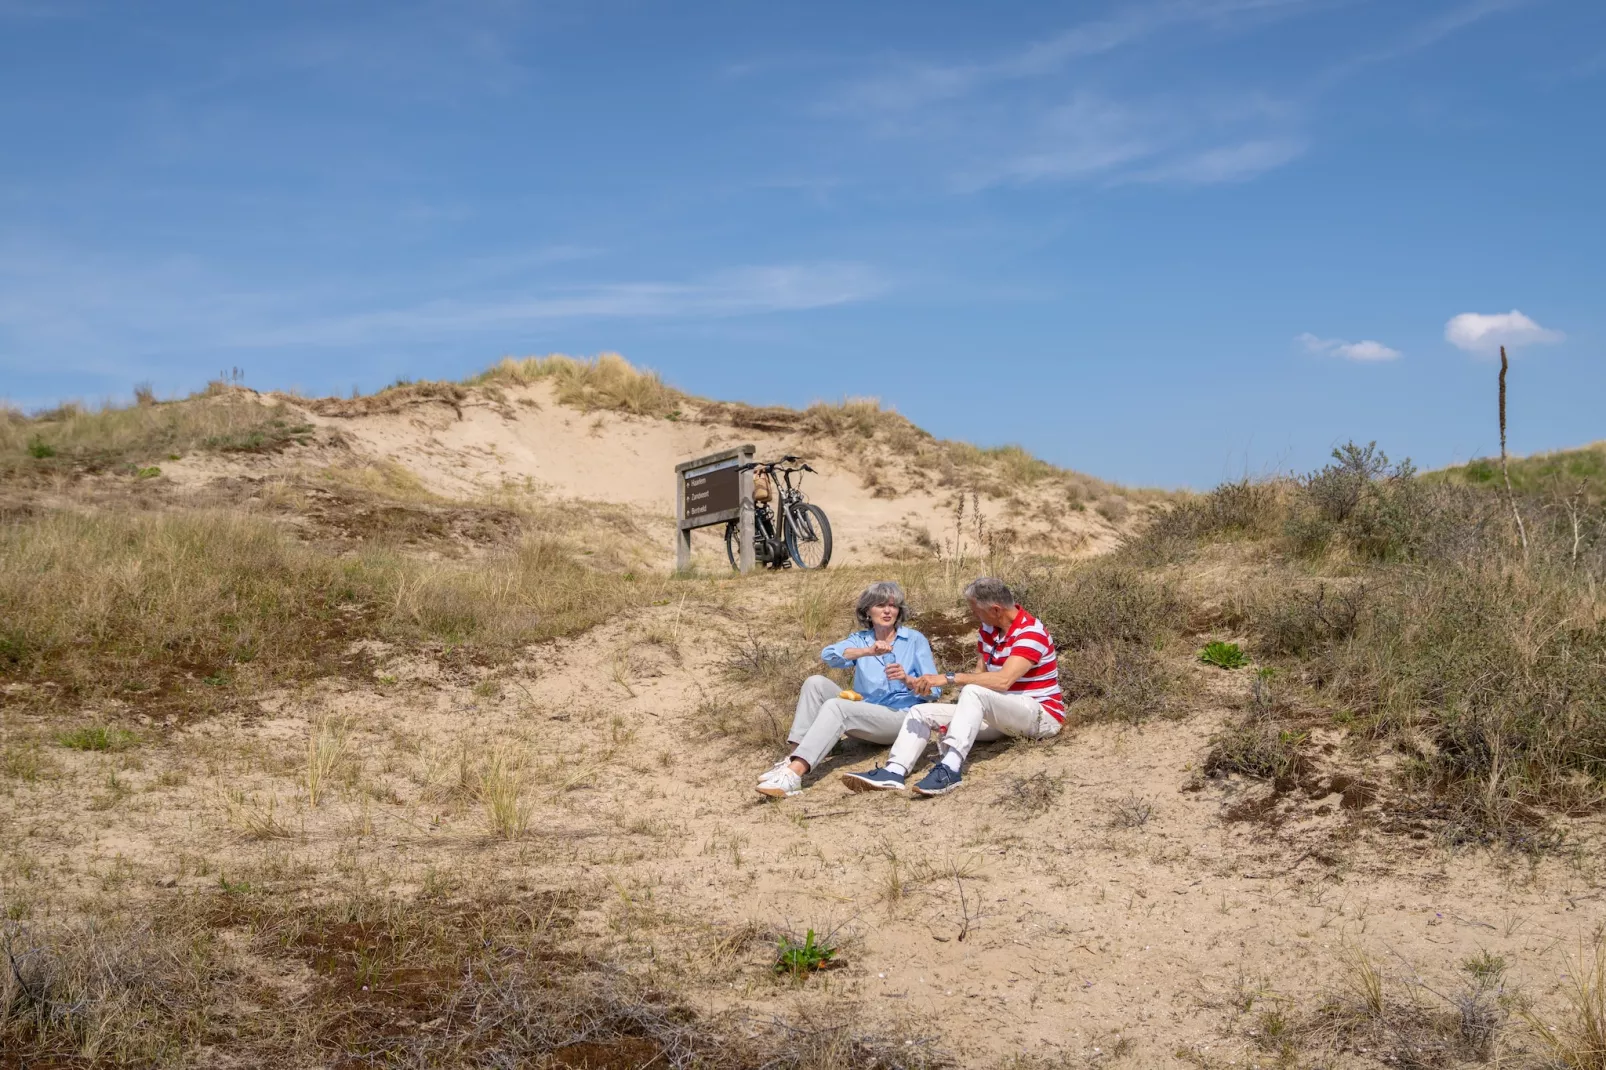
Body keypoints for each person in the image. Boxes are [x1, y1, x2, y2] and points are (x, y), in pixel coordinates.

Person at [841, 576, 1062, 797]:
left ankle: (950, 769)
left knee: (973, 690)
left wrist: (947, 678)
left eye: (975, 609)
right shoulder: (989, 629)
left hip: (1040, 715)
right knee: (920, 712)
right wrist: (959, 717)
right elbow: (980, 675)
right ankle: (894, 771)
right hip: (1001, 714)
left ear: (995, 610)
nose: (972, 613)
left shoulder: (1031, 633)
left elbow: (1004, 680)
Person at [756, 581, 940, 798]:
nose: (888, 611)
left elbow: (935, 691)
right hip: (866, 714)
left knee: (838, 707)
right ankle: (794, 756)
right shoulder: (860, 639)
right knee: (815, 682)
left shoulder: (914, 640)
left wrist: (908, 679)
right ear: (867, 611)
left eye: (893, 605)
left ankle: (794, 775)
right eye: (881, 605)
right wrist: (867, 652)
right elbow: (828, 656)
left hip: (901, 718)